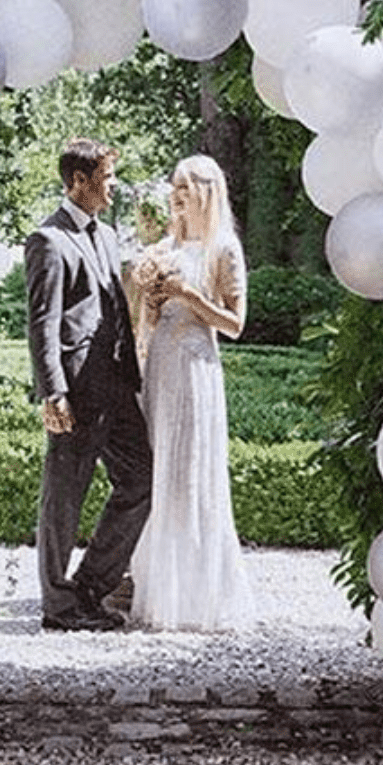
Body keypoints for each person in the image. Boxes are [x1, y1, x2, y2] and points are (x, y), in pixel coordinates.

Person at [24, 138, 153, 632]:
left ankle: (91, 589)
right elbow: (43, 322)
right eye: (107, 178)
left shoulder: (106, 233)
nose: (114, 187)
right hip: (75, 390)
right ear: (78, 181)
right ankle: (59, 606)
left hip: (117, 385)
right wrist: (52, 391)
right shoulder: (48, 241)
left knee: (142, 478)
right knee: (64, 496)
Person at [130, 154, 255, 631]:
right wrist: (154, 299)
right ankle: (155, 588)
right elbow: (150, 318)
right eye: (173, 186)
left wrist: (191, 297)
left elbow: (237, 324)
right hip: (161, 365)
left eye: (184, 186)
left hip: (197, 366)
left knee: (189, 472)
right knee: (158, 469)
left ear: (206, 190)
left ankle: (198, 597)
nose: (175, 194)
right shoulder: (164, 247)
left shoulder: (224, 249)